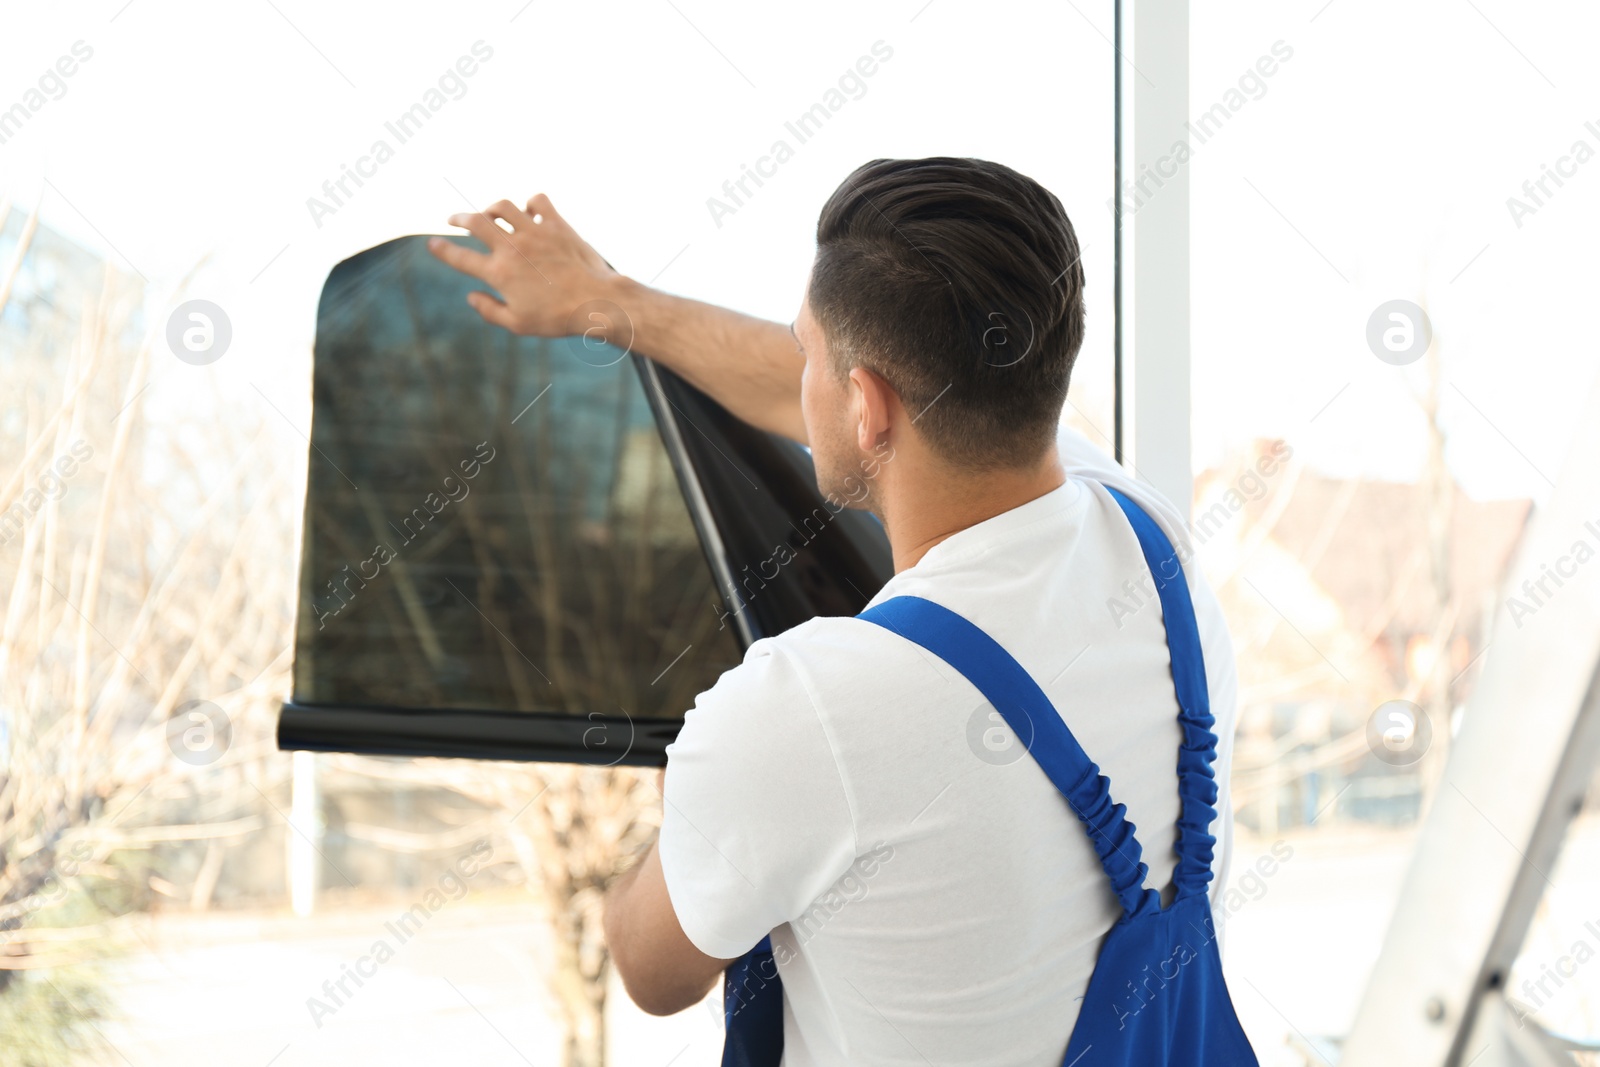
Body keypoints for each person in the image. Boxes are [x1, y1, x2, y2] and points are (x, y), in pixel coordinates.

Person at [429, 157, 1248, 1066]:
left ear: (865, 403)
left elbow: (649, 968)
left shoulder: (811, 707)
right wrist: (610, 300)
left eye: (809, 350)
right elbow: (840, 386)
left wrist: (699, 804)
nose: (798, 378)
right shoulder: (1149, 539)